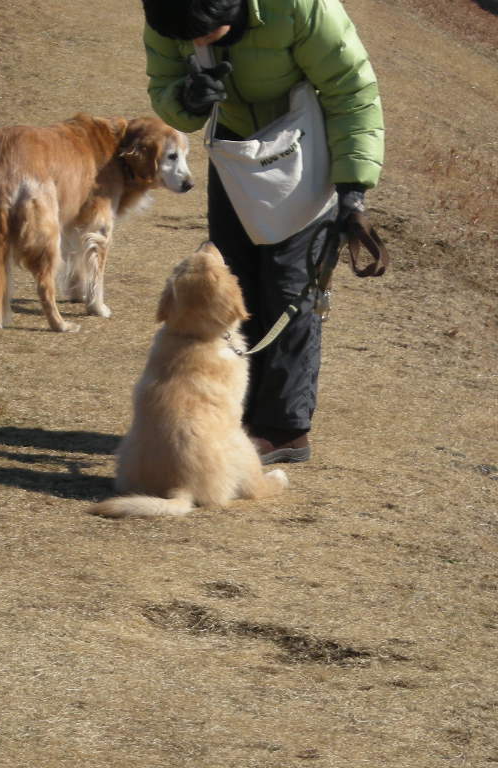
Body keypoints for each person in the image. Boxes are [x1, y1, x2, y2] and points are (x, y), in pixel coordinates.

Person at [139, 0, 385, 464]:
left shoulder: (298, 7)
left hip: (306, 155)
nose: (195, 44)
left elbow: (352, 90)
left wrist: (353, 190)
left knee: (290, 291)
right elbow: (165, 85)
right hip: (238, 156)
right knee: (233, 288)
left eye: (207, 33)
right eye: (187, 38)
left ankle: (283, 429)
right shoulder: (167, 12)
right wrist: (187, 100)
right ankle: (234, 417)